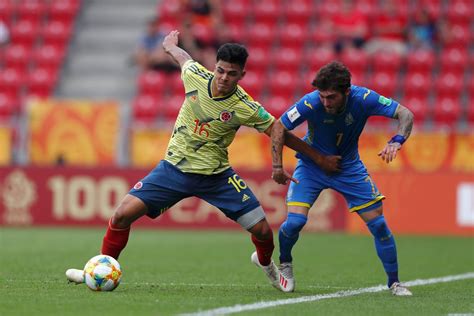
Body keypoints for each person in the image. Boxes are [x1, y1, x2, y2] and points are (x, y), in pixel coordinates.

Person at [66, 30, 341, 289]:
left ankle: (267, 264)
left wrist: (317, 157)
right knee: (122, 214)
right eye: (220, 70)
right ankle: (99, 268)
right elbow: (184, 59)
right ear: (214, 67)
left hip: (217, 177)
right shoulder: (196, 75)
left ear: (241, 75)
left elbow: (279, 131)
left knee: (263, 232)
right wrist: (171, 46)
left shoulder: (245, 107)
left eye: (231, 74)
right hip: (174, 169)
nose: (223, 77)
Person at [270, 61, 414, 296]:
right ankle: (285, 264)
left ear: (347, 92)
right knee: (295, 223)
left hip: (348, 168)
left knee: (378, 225)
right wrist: (277, 165)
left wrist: (396, 140)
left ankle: (395, 283)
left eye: (331, 97)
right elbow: (278, 127)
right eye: (322, 96)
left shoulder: (365, 98)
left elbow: (405, 113)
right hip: (310, 168)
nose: (325, 102)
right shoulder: (310, 102)